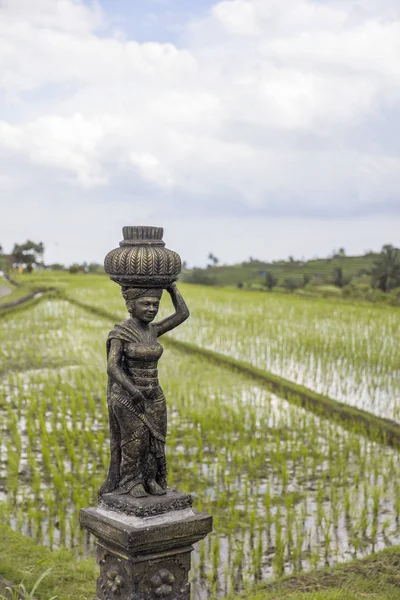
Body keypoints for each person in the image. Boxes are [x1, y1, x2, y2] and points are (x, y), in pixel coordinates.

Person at [99, 283, 189, 498]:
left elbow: (183, 313)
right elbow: (112, 367)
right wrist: (132, 390)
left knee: (155, 440)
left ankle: (150, 479)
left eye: (155, 304)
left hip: (154, 395)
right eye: (145, 303)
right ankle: (131, 482)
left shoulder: (154, 330)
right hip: (128, 397)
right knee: (135, 441)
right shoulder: (121, 332)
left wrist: (171, 287)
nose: (151, 308)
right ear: (131, 305)